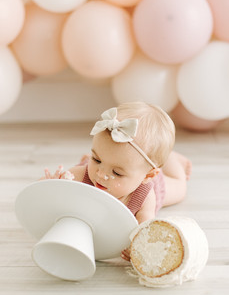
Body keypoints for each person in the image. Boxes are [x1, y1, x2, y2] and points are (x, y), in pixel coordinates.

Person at [42, 101, 191, 260]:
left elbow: (145, 231)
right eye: (97, 159)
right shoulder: (82, 175)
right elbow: (42, 193)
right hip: (110, 167)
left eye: (117, 173)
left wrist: (137, 247)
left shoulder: (145, 195)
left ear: (148, 175)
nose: (101, 175)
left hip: (146, 184)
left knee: (180, 188)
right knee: (100, 163)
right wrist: (52, 184)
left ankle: (170, 158)